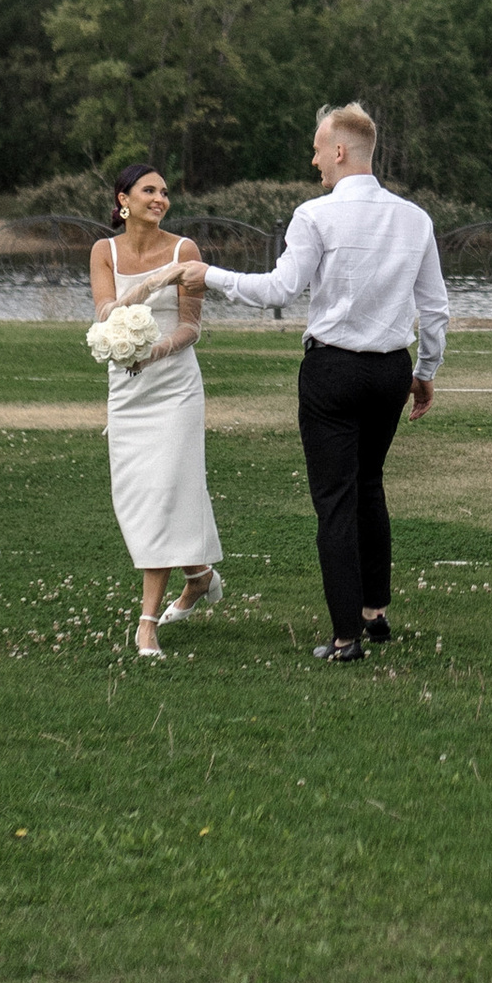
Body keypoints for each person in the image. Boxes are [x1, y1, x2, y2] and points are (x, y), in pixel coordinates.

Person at [180, 102, 446, 664]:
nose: (314, 159)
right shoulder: (416, 218)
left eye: (319, 149)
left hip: (332, 371)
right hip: (389, 371)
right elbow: (435, 308)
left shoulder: (314, 215)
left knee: (336, 501)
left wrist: (211, 276)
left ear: (342, 151)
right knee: (368, 486)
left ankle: (346, 636)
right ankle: (375, 613)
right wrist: (424, 372)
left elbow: (281, 290)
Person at [88, 159, 223, 662]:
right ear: (123, 200)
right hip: (127, 389)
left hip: (174, 387)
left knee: (168, 487)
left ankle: (146, 623)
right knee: (138, 493)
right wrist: (146, 287)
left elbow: (191, 326)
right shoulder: (104, 251)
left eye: (164, 192)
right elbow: (104, 314)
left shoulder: (185, 250)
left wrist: (158, 352)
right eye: (149, 191)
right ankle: (199, 576)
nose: (160, 199)